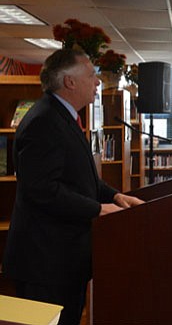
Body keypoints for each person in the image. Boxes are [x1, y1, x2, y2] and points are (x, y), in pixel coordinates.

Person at [3, 49, 144, 325]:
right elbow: (42, 190)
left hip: (63, 258)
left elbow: (81, 179)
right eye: (91, 75)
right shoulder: (43, 122)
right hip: (44, 262)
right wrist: (98, 209)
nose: (98, 82)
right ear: (69, 82)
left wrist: (115, 196)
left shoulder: (62, 117)